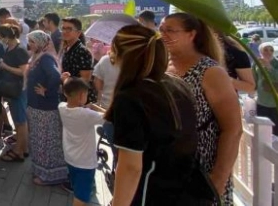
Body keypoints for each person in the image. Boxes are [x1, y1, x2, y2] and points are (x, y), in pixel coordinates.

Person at [107, 25, 200, 205]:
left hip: (150, 194)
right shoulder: (177, 85)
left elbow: (131, 167)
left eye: (113, 54)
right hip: (185, 190)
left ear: (123, 56)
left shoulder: (130, 97)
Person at [160, 12, 242, 205]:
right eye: (161, 29)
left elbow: (232, 128)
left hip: (202, 170)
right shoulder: (163, 66)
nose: (163, 35)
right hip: (168, 169)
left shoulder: (210, 71)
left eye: (170, 30)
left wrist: (219, 178)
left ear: (192, 35)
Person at [26, 31, 67, 186]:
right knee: (38, 140)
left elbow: (55, 76)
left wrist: (47, 91)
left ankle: (49, 176)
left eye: (32, 41)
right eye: (29, 41)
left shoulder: (45, 58)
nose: (30, 44)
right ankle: (41, 171)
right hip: (36, 106)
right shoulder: (38, 57)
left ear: (41, 42)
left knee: (45, 141)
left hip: (44, 109)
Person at [58, 77, 105, 206]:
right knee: (81, 197)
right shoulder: (88, 115)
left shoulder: (61, 107)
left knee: (77, 187)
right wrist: (95, 107)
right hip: (85, 163)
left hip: (70, 158)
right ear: (81, 96)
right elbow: (109, 117)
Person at [0, 24, 30, 162]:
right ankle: (24, 148)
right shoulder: (10, 48)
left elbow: (23, 71)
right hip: (12, 89)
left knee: (20, 122)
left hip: (19, 90)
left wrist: (5, 66)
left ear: (6, 37)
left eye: (0, 37)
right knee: (18, 121)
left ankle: (18, 152)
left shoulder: (19, 50)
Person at [253, 43, 278, 135]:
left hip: (275, 102)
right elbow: (254, 79)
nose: (269, 52)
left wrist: (269, 66)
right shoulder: (257, 63)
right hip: (262, 101)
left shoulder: (276, 62)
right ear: (261, 51)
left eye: (271, 50)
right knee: (263, 129)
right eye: (265, 50)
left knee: (275, 130)